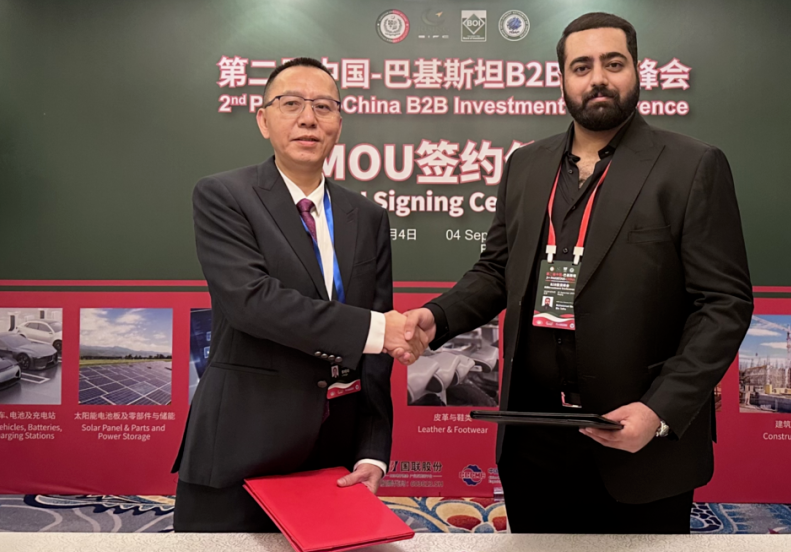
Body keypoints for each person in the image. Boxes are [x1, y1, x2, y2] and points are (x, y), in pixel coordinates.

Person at [398, 13, 753, 534]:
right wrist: (437, 317)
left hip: (637, 435)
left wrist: (659, 411)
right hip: (534, 437)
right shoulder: (526, 166)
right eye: (581, 67)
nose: (598, 78)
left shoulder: (691, 166)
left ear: (638, 70)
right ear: (563, 79)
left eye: (614, 63)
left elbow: (723, 303)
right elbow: (497, 269)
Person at [172, 57, 427, 532]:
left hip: (334, 455)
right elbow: (251, 302)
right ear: (263, 120)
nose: (308, 118)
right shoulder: (224, 195)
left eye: (323, 106)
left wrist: (372, 449)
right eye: (291, 104)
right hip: (241, 445)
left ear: (338, 124)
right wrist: (379, 328)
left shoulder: (366, 216)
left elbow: (375, 357)